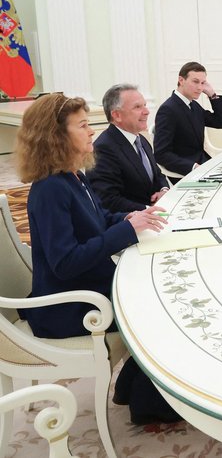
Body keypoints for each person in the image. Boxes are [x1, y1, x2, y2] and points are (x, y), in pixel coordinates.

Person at [15, 93, 180, 424]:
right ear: (56, 136)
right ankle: (148, 403)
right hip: (65, 306)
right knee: (160, 306)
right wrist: (126, 231)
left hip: (87, 285)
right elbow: (65, 263)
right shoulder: (50, 189)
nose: (92, 132)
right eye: (83, 125)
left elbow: (99, 217)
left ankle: (133, 388)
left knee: (158, 295)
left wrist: (133, 218)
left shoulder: (72, 176)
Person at [87, 84, 170, 212]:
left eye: (145, 105)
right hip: (132, 222)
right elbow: (107, 199)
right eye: (137, 107)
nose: (146, 112)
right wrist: (149, 209)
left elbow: (157, 174)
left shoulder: (140, 139)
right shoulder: (103, 149)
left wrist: (163, 191)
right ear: (116, 115)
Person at [154, 61, 222, 178]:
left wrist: (212, 95)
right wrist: (193, 167)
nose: (200, 87)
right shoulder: (168, 110)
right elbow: (161, 154)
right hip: (185, 172)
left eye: (203, 83)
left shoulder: (193, 105)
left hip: (203, 163)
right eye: (195, 82)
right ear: (181, 80)